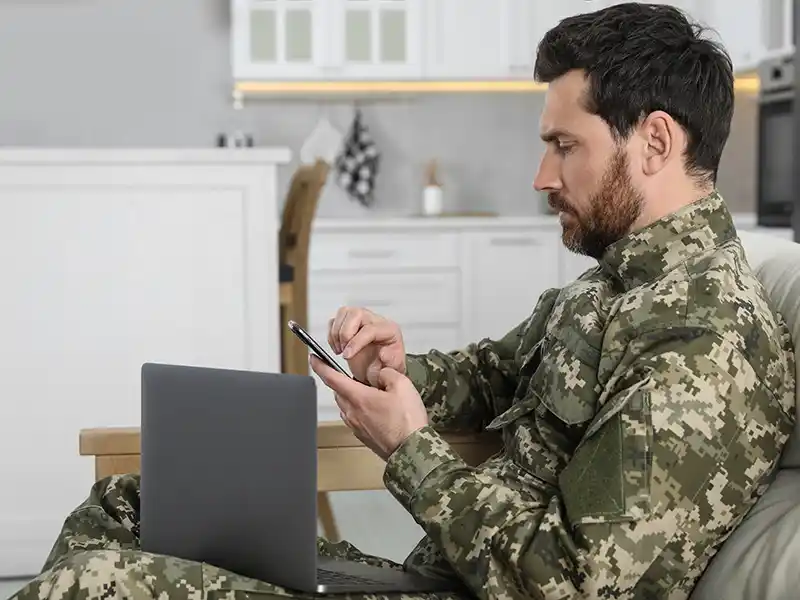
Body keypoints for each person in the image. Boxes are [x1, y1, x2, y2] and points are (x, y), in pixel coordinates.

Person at [12, 3, 796, 599]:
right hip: (433, 576)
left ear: (655, 142)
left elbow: (570, 582)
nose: (541, 177)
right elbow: (497, 370)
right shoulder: (619, 282)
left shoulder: (703, 345)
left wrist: (411, 451)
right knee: (132, 504)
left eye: (564, 146)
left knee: (89, 583)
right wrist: (400, 368)